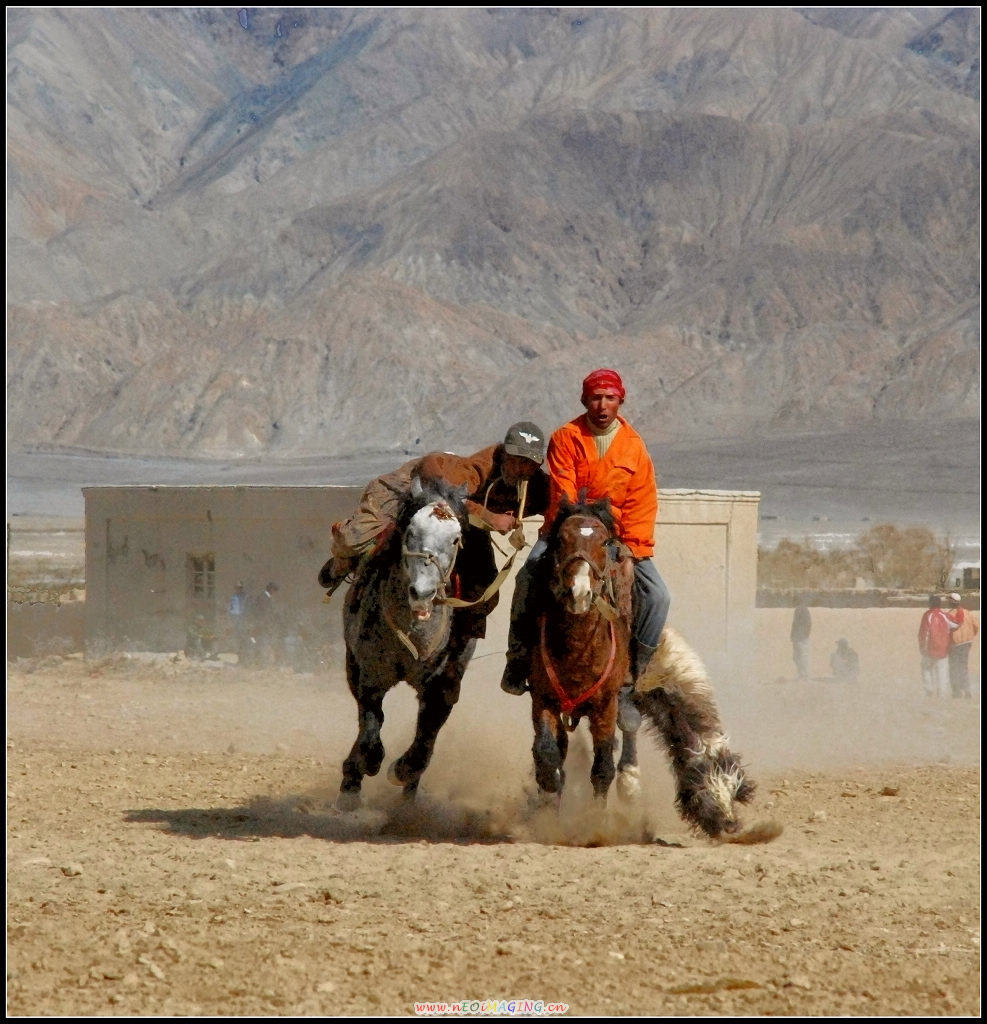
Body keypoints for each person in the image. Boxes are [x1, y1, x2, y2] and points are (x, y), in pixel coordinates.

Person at [499, 368, 670, 736]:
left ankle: (630, 679)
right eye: (595, 398)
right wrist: (577, 532)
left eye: (609, 398)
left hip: (619, 538)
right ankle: (517, 660)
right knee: (528, 576)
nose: (602, 405)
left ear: (620, 401)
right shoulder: (566, 437)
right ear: (584, 401)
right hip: (569, 529)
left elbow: (642, 501)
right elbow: (564, 492)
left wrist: (630, 547)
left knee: (657, 597)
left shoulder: (635, 447)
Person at [318, 422, 551, 640]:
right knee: (354, 540)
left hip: (459, 518)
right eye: (515, 460)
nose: (521, 468)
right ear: (503, 455)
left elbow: (558, 502)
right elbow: (445, 496)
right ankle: (342, 563)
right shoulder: (475, 469)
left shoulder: (535, 484)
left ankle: (461, 640)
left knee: (484, 588)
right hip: (410, 487)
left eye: (529, 463)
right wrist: (491, 518)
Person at [918, 594, 952, 699]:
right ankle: (942, 694)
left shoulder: (928, 615)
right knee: (942, 672)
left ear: (930, 603)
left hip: (930, 648)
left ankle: (929, 690)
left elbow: (924, 632)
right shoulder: (945, 615)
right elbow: (954, 627)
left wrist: (922, 647)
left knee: (926, 669)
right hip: (944, 649)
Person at [945, 592, 978, 699]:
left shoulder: (949, 614)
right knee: (963, 667)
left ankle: (956, 692)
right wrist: (970, 636)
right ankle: (967, 690)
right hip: (967, 643)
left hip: (955, 644)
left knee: (954, 667)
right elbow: (976, 626)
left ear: (951, 602)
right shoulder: (967, 613)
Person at [227, 581, 251, 666]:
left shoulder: (246, 598)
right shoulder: (233, 597)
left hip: (243, 622)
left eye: (239, 588)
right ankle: (241, 659)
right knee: (239, 641)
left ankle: (247, 660)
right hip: (237, 623)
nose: (238, 589)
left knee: (246, 641)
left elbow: (249, 610)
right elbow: (230, 610)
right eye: (237, 587)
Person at [790, 597, 812, 681]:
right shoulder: (802, 609)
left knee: (800, 656)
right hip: (799, 636)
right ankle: (802, 673)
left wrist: (803, 635)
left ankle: (803, 674)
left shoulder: (800, 609)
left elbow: (798, 624)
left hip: (800, 637)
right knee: (798, 656)